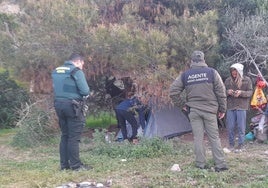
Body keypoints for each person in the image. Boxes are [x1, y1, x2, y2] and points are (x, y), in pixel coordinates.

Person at [169, 50, 228, 172]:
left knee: (198, 138)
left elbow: (173, 91)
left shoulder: (185, 75)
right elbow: (221, 92)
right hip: (210, 110)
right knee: (214, 137)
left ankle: (200, 165)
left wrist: (182, 105)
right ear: (203, 60)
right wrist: (222, 109)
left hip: (194, 111)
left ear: (192, 61)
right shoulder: (212, 73)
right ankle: (220, 165)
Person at [52, 53, 92, 171]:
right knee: (74, 137)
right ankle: (76, 166)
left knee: (65, 135)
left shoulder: (56, 71)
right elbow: (85, 91)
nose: (82, 66)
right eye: (82, 64)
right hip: (72, 106)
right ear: (78, 61)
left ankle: (64, 165)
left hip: (58, 104)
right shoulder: (76, 71)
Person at [224, 63, 253, 152]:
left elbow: (250, 92)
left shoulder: (247, 80)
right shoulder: (228, 80)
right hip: (230, 106)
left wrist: (241, 93)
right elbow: (222, 92)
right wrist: (227, 92)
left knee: (241, 127)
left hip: (241, 106)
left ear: (240, 72)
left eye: (236, 73)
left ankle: (241, 145)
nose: (234, 74)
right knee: (230, 127)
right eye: (233, 73)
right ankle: (231, 145)